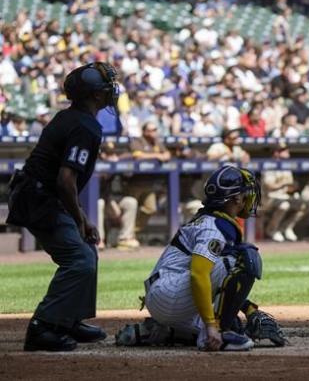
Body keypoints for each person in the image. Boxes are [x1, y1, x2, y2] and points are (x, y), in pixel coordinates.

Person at [6, 62, 119, 351]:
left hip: (38, 194)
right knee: (79, 260)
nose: (112, 93)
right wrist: (80, 220)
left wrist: (82, 219)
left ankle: (69, 319)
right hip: (40, 199)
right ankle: (43, 327)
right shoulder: (86, 126)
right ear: (95, 96)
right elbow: (65, 180)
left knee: (87, 252)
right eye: (106, 89)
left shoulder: (70, 116)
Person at [115, 166, 286, 351]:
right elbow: (199, 274)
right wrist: (212, 326)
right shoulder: (214, 227)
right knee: (245, 257)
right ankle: (218, 333)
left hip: (166, 293)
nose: (249, 198)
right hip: (170, 293)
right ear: (236, 198)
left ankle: (159, 331)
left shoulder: (210, 219)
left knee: (235, 323)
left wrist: (248, 309)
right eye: (246, 193)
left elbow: (220, 282)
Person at [261, 143, 309, 242]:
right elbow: (270, 186)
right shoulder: (268, 165)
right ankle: (271, 230)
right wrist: (283, 183)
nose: (287, 152)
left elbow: (289, 186)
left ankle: (285, 228)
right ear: (276, 153)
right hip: (269, 198)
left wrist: (292, 187)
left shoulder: (286, 165)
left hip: (284, 196)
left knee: (304, 205)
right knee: (284, 205)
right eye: (284, 150)